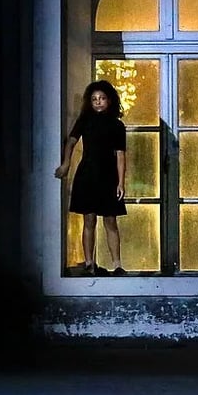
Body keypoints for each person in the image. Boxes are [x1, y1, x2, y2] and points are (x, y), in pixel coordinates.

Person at [55, 80, 127, 276]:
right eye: (94, 99)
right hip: (87, 174)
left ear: (109, 100)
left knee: (110, 221)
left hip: (109, 176)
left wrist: (121, 183)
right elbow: (71, 142)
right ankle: (89, 263)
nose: (98, 102)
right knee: (89, 220)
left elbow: (121, 155)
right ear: (90, 101)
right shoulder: (84, 121)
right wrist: (66, 163)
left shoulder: (117, 125)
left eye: (102, 98)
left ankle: (117, 264)